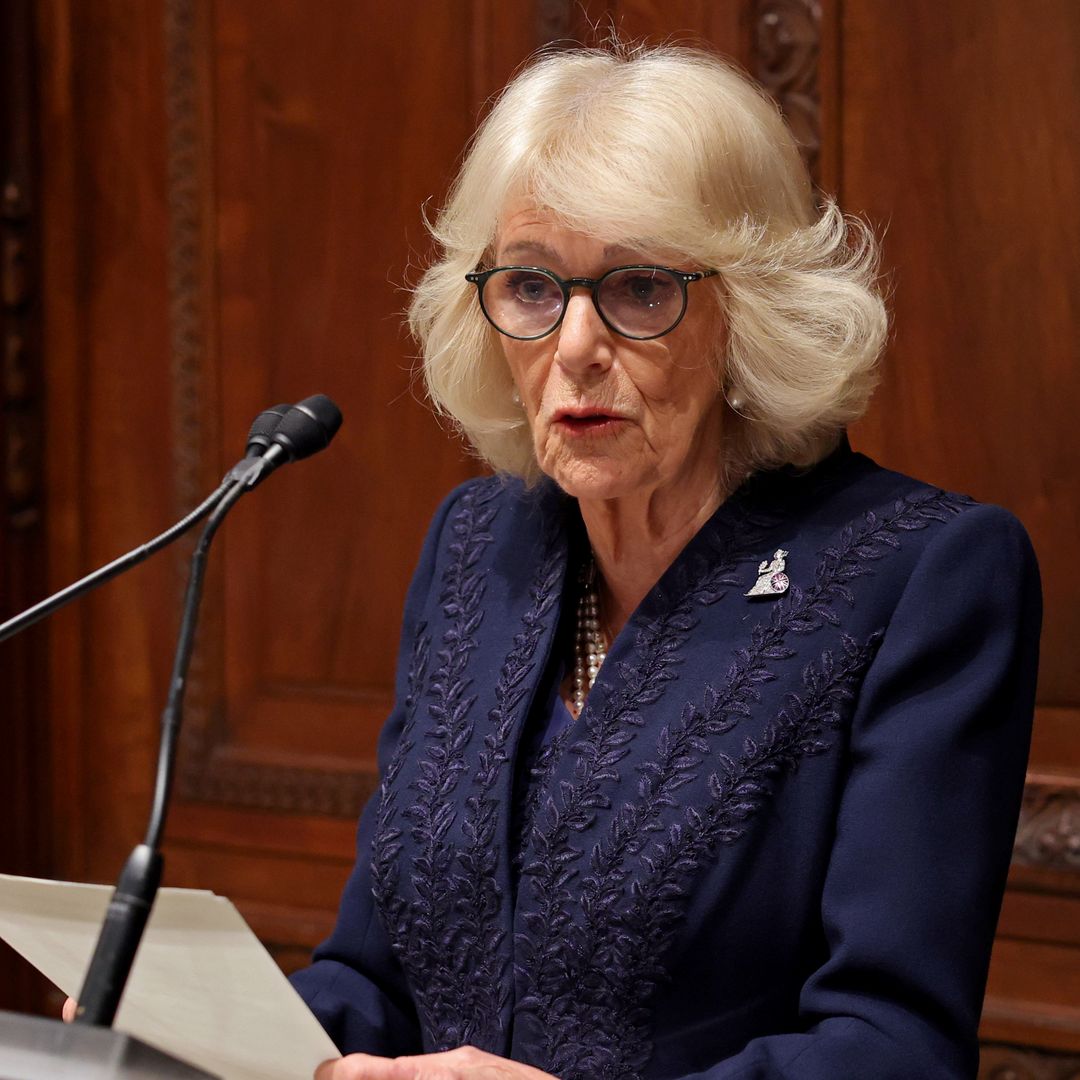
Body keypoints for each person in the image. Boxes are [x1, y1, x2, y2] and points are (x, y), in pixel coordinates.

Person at [290, 42, 1042, 1080]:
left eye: (640, 288)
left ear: (752, 306)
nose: (575, 346)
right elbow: (370, 980)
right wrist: (191, 1022)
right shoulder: (476, 547)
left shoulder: (921, 575)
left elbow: (894, 1046)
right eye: (531, 285)